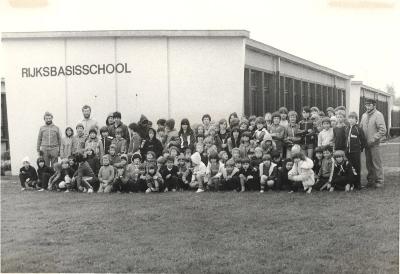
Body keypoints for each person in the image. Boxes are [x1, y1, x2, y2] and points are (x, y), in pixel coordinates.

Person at [360, 98, 387, 188]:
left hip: (374, 144)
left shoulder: (378, 115)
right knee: (368, 164)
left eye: (369, 105)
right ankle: (371, 180)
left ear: (374, 106)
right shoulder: (363, 115)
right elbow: (360, 128)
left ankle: (380, 181)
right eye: (366, 105)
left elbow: (383, 130)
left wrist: (373, 138)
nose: (367, 107)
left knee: (377, 163)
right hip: (366, 145)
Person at [345, 112, 366, 190]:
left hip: (356, 152)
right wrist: (345, 149)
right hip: (348, 152)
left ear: (356, 120)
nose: (351, 120)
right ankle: (351, 183)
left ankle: (358, 184)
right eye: (350, 118)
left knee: (357, 167)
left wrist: (360, 148)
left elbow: (363, 140)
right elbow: (345, 140)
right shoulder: (346, 128)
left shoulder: (358, 129)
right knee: (350, 168)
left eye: (353, 118)